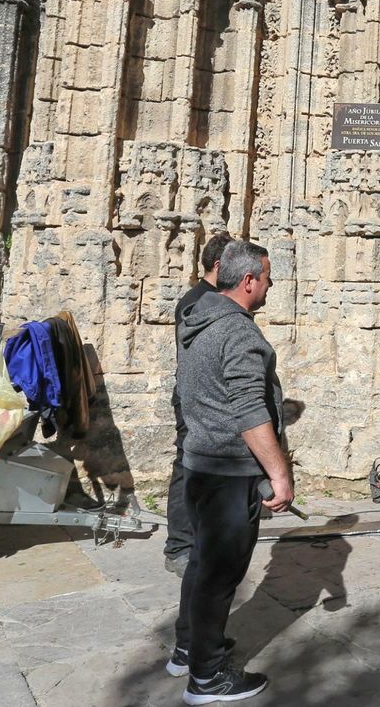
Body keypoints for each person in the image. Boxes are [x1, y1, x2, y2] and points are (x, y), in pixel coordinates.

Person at [170, 239, 290, 704]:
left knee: (202, 563)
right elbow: (248, 410)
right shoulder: (238, 332)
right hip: (228, 473)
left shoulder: (198, 317)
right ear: (248, 281)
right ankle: (208, 678)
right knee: (219, 577)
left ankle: (190, 648)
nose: (270, 286)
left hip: (200, 462)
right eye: (268, 278)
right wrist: (279, 474)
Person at [165, 230, 235, 575]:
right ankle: (178, 547)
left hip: (208, 399)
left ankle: (201, 539)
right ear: (219, 265)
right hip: (194, 399)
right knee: (187, 469)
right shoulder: (197, 301)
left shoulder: (212, 298)